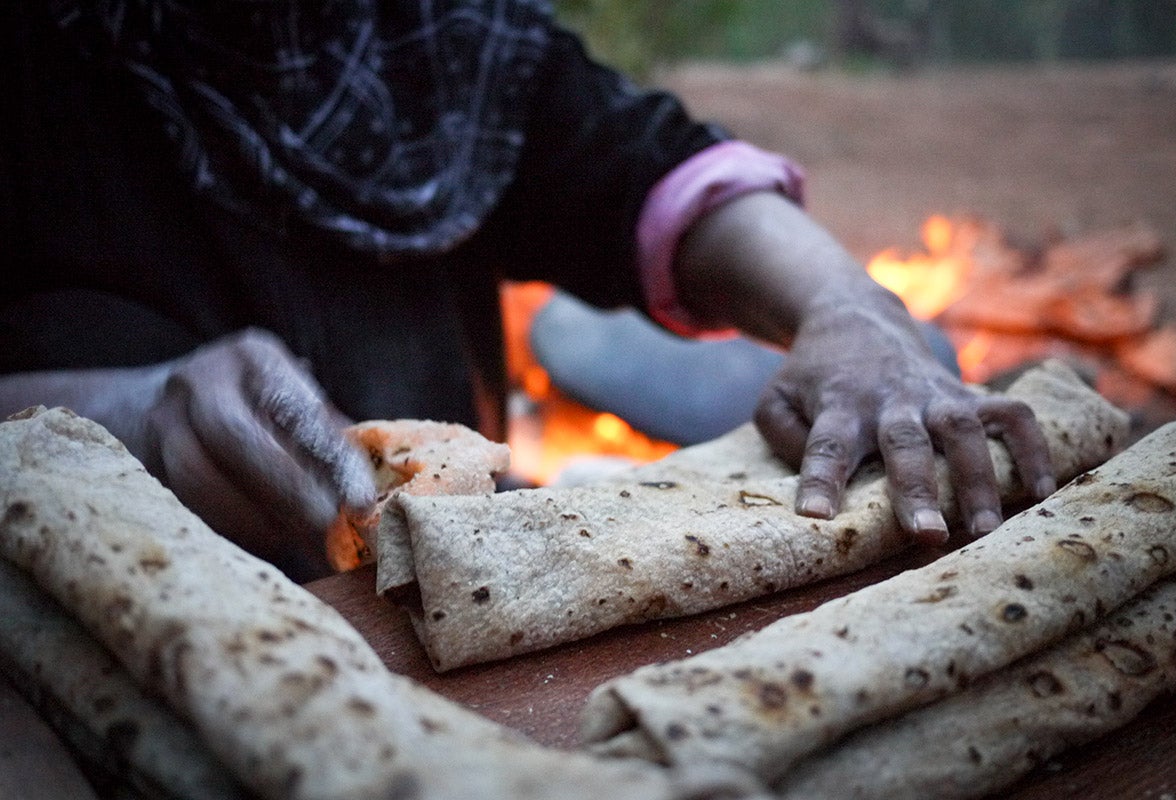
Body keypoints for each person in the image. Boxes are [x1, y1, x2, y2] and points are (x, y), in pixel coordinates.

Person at [0, 2, 1055, 582]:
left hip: (434, 604)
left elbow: (653, 175)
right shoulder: (44, 73)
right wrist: (116, 417)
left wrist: (845, 305)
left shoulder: (436, 39)